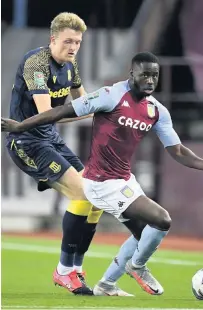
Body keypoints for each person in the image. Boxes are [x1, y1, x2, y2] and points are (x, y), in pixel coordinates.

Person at [2, 52, 203, 296]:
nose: (150, 80)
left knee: (143, 236)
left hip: (125, 179)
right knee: (161, 220)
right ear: (132, 74)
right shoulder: (111, 95)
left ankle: (106, 284)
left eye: (154, 76)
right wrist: (20, 126)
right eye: (145, 75)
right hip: (100, 182)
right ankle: (137, 266)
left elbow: (179, 151)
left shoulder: (156, 110)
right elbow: (62, 111)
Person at [2, 12, 105, 295]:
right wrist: (85, 110)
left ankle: (76, 268)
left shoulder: (71, 66)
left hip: (51, 139)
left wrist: (99, 104)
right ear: (53, 40)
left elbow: (83, 103)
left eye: (78, 42)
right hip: (26, 142)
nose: (73, 47)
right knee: (81, 193)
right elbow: (48, 114)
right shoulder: (36, 63)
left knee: (96, 196)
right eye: (68, 41)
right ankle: (63, 270)